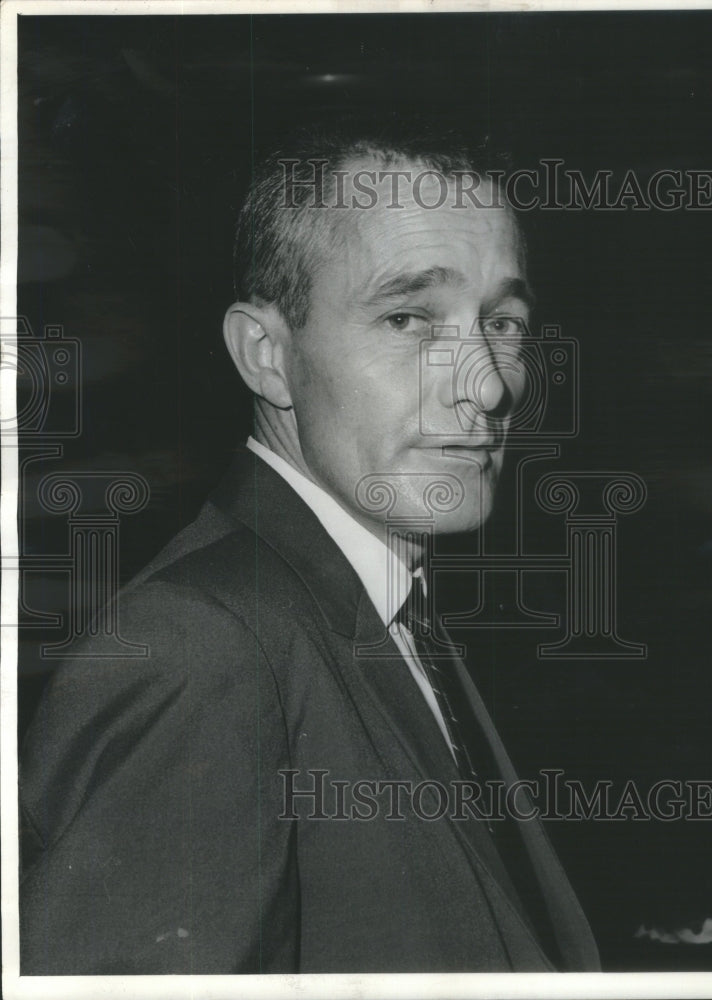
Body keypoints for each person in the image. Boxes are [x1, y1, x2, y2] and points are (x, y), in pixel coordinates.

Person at [19, 122, 600, 974]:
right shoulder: (203, 650)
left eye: (504, 323)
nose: (489, 380)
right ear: (268, 356)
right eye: (409, 316)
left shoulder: (377, 608)